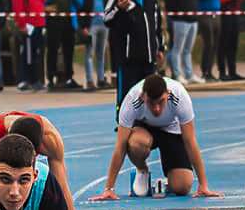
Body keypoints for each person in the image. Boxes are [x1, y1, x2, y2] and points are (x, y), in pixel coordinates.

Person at [88, 73, 221, 201]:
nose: (157, 109)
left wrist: (203, 185)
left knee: (182, 187)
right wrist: (109, 188)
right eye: (151, 103)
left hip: (172, 131)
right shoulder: (132, 100)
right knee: (136, 144)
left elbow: (190, 141)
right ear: (142, 96)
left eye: (161, 102)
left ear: (168, 94)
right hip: (144, 130)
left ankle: (170, 180)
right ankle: (142, 170)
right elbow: (120, 147)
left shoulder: (179, 96)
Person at [104, 0, 165, 117]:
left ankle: (149, 124)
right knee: (126, 97)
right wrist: (118, 8)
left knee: (151, 96)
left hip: (149, 58)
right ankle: (123, 124)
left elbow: (157, 26)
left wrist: (160, 48)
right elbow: (107, 19)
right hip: (127, 59)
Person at [40, 0, 85, 90]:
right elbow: (38, 2)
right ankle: (51, 79)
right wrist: (45, 7)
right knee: (52, 49)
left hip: (68, 21)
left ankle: (69, 77)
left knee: (69, 50)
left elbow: (80, 3)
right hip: (53, 21)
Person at [10, 0, 47, 91]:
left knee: (36, 53)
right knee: (28, 54)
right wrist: (22, 24)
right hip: (28, 25)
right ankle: (27, 79)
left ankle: (36, 79)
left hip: (39, 24)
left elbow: (41, 3)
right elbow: (17, 7)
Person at [193, 0, 226, 82]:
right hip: (204, 15)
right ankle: (205, 71)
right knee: (209, 43)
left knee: (215, 44)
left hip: (216, 14)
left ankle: (210, 71)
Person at [167, 0, 198, 84]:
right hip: (180, 21)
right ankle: (177, 74)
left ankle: (189, 74)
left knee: (188, 50)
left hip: (193, 21)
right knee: (177, 49)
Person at [216, 0, 243, 81]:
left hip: (234, 15)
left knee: (233, 44)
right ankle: (222, 72)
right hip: (223, 15)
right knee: (223, 44)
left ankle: (233, 71)